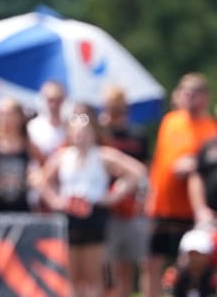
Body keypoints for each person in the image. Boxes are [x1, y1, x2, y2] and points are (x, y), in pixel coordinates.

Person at [37, 104, 146, 297]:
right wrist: (56, 201)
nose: (81, 137)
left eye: (85, 133)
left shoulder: (102, 155)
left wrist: (113, 196)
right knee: (73, 275)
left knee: (93, 274)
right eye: (76, 133)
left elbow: (136, 172)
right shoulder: (63, 156)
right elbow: (43, 180)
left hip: (94, 215)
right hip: (70, 215)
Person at [142, 73, 217, 297]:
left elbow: (205, 164)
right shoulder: (170, 121)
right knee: (151, 261)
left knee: (187, 263)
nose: (189, 97)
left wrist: (192, 162)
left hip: (188, 209)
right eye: (185, 91)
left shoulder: (210, 128)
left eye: (194, 93)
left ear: (205, 97)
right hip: (161, 205)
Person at [98, 85, 150, 297]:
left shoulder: (137, 134)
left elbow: (146, 169)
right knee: (104, 267)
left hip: (130, 206)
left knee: (127, 265)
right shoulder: (99, 133)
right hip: (104, 206)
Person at [0, 97, 44, 213]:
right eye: (1, 114)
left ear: (19, 117)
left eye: (9, 114)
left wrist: (35, 177)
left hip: (20, 206)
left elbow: (43, 165)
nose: (4, 119)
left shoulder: (28, 144)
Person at [27, 80, 68, 158]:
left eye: (59, 99)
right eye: (51, 100)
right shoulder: (33, 127)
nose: (54, 104)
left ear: (64, 100)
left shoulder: (70, 128)